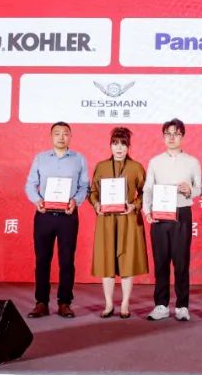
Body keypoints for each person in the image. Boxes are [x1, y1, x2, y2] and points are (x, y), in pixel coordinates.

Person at [23, 121, 89, 319]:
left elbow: (84, 186)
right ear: (51, 137)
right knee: (42, 260)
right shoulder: (40, 158)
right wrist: (37, 200)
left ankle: (64, 302)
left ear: (70, 136)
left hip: (67, 216)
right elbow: (30, 184)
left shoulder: (79, 159)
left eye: (65, 133)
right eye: (57, 133)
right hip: (44, 215)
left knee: (67, 261)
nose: (61, 137)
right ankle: (41, 302)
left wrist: (75, 201)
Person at [142, 118, 202, 322]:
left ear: (182, 136)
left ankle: (182, 306)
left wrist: (190, 190)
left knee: (181, 262)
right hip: (159, 215)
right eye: (168, 133)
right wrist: (147, 210)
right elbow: (148, 189)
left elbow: (200, 188)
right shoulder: (155, 161)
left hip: (182, 213)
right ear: (163, 137)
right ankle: (161, 305)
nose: (171, 137)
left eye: (176, 134)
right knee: (160, 261)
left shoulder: (192, 162)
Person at [88, 126, 148, 319]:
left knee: (127, 262)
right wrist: (96, 204)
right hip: (106, 220)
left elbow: (146, 192)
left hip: (128, 219)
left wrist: (134, 205)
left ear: (128, 146)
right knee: (106, 262)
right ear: (110, 146)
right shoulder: (101, 167)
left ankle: (124, 304)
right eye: (115, 144)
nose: (119, 148)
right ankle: (108, 304)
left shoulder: (136, 167)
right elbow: (92, 191)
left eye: (123, 144)